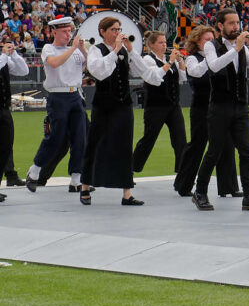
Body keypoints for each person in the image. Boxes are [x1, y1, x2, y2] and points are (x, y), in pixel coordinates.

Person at [80, 16, 168, 206]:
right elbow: (99, 71)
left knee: (124, 146)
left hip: (123, 104)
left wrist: (130, 50)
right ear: (102, 32)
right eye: (113, 29)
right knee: (95, 143)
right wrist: (116, 50)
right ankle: (85, 186)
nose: (117, 33)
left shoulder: (125, 51)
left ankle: (126, 193)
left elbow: (145, 73)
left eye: (118, 29)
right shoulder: (96, 50)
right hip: (103, 105)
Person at [192, 8, 249, 211]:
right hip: (219, 106)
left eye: (237, 23)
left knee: (246, 151)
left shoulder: (241, 48)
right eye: (231, 23)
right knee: (214, 151)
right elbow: (214, 66)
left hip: (240, 106)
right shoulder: (211, 45)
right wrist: (236, 49)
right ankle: (200, 192)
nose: (236, 27)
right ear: (220, 26)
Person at [173, 25, 239, 198]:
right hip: (201, 108)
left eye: (212, 40)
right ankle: (184, 185)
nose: (210, 43)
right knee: (197, 145)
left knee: (226, 145)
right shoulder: (192, 59)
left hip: (218, 107)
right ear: (197, 42)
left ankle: (229, 186)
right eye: (207, 40)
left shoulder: (220, 58)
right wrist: (212, 57)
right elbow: (195, 73)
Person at [26, 16, 88, 194]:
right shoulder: (48, 48)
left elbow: (89, 66)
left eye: (69, 31)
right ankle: (35, 170)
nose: (68, 34)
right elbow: (54, 63)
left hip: (75, 95)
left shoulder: (75, 50)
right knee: (56, 137)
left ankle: (76, 179)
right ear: (54, 32)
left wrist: (83, 50)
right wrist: (74, 48)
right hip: (57, 97)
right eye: (64, 31)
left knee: (80, 138)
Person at [132, 31, 187, 174]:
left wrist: (180, 60)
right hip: (156, 106)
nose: (164, 45)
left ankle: (182, 173)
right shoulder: (148, 60)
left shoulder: (171, 59)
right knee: (149, 139)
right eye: (160, 43)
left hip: (173, 105)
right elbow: (156, 77)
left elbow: (183, 77)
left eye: (165, 42)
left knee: (180, 140)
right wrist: (170, 62)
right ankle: (132, 169)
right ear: (151, 45)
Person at [0, 39, 30, 203]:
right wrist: (5, 54)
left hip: (3, 108)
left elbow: (23, 71)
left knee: (5, 146)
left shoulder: (3, 57)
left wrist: (14, 54)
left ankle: (8, 176)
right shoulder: (1, 58)